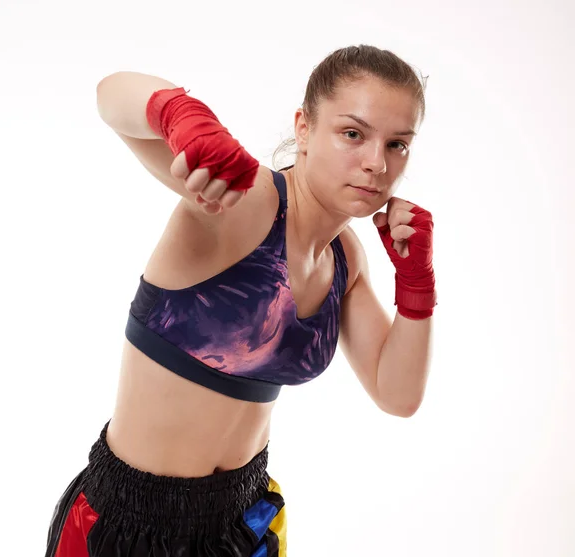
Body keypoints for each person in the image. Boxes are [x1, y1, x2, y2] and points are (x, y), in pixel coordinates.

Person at [45, 44, 437, 557]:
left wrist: (416, 284)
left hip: (245, 521)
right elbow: (109, 95)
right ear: (303, 127)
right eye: (353, 134)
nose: (376, 164)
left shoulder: (346, 256)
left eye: (397, 145)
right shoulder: (247, 200)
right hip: (131, 528)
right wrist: (177, 114)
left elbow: (398, 394)